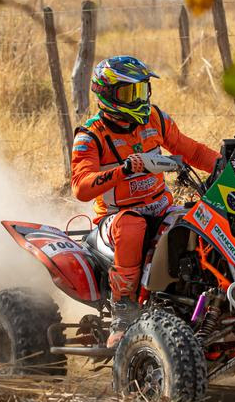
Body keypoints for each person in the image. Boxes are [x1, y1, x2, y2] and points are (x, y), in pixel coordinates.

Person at [71, 55, 220, 347]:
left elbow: (194, 152)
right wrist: (124, 169)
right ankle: (123, 311)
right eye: (130, 93)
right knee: (132, 226)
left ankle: (202, 298)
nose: (139, 99)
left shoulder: (155, 118)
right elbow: (81, 187)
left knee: (200, 222)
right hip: (116, 217)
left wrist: (228, 166)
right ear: (108, 95)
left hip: (161, 207)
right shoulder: (90, 135)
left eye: (142, 90)